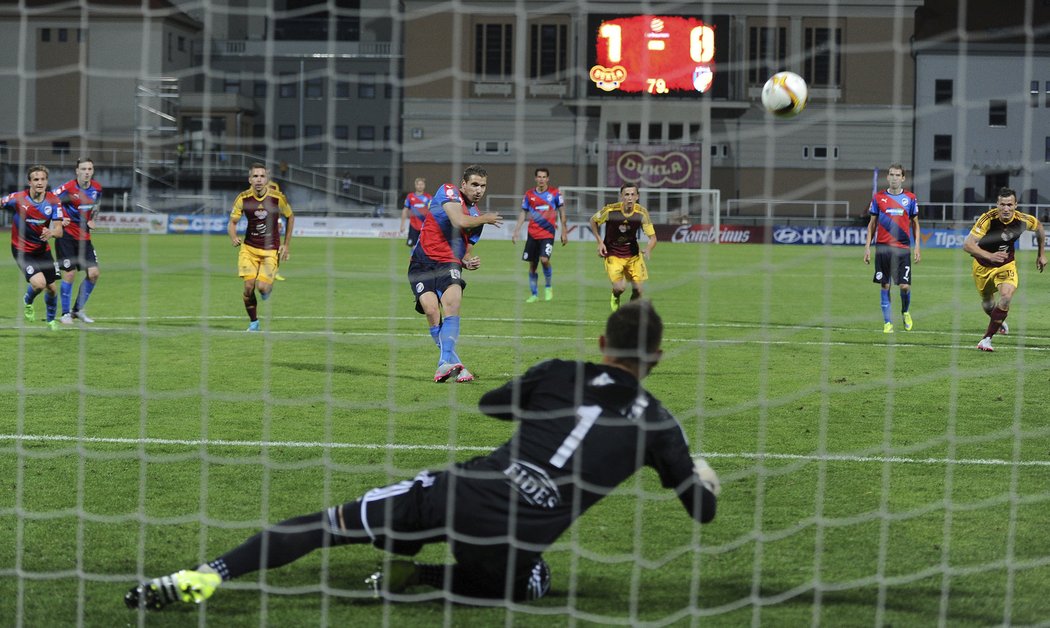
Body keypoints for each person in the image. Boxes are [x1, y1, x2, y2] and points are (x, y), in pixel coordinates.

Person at [123, 300, 721, 610]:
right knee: (532, 581)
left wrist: (541, 402)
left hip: (460, 490)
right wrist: (700, 476)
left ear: (600, 343)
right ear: (658, 358)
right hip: (513, 537)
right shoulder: (661, 424)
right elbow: (700, 511)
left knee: (327, 526)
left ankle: (203, 577)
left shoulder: (561, 371)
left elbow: (490, 405)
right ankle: (420, 577)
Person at [408, 165, 502, 383]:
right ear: (464, 184)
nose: (479, 190)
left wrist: (467, 262)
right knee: (432, 311)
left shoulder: (477, 217)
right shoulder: (449, 191)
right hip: (421, 262)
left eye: (483, 186)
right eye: (475, 184)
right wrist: (486, 218)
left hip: (448, 264)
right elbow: (458, 220)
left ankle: (443, 365)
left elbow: (465, 249)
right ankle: (454, 363)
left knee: (452, 304)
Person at [962, 187, 1046, 352]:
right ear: (997, 205)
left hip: (1006, 265)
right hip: (982, 266)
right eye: (1002, 204)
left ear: (1016, 205)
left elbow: (1040, 228)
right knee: (988, 304)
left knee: (1006, 297)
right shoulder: (987, 219)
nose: (1006, 209)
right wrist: (989, 256)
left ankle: (986, 339)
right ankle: (998, 320)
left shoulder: (1022, 220)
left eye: (1009, 205)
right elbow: (968, 245)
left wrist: (1041, 254)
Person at [227, 163, 295, 332]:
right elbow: (232, 222)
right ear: (250, 179)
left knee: (262, 287)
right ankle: (254, 322)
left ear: (267, 179)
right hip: (249, 248)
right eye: (255, 176)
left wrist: (286, 245)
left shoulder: (277, 197)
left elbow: (290, 216)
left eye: (262, 176)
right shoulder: (243, 198)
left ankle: (266, 289)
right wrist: (233, 236)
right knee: (249, 287)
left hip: (270, 249)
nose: (258, 179)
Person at [2, 164, 65, 331]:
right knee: (39, 284)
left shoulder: (53, 201)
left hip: (42, 250)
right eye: (36, 179)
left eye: (43, 179)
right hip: (22, 250)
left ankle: (51, 321)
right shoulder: (18, 198)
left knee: (51, 288)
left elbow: (59, 231)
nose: (40, 182)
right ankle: (27, 301)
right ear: (29, 182)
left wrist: (51, 232)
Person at [862, 163, 921, 334]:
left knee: (904, 286)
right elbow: (872, 224)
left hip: (902, 248)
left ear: (903, 178)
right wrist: (867, 247)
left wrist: (917, 246)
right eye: (891, 175)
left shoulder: (910, 198)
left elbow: (915, 224)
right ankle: (887, 323)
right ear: (887, 177)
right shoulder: (878, 198)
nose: (894, 178)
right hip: (882, 248)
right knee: (885, 285)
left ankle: (905, 311)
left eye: (897, 175)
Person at [589, 184, 657, 311]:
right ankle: (615, 296)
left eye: (632, 194)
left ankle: (629, 312)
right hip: (613, 254)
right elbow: (593, 221)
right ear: (621, 196)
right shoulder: (610, 210)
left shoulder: (641, 213)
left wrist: (648, 249)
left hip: (633, 256)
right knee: (620, 288)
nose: (630, 198)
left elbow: (653, 238)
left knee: (639, 290)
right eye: (626, 194)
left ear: (637, 197)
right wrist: (600, 242)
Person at [53, 157, 103, 324]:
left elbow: (96, 205)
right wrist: (59, 219)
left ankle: (77, 310)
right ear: (77, 171)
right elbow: (50, 200)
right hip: (66, 237)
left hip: (85, 237)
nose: (86, 172)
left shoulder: (96, 188)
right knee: (70, 273)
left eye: (89, 169)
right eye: (83, 169)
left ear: (92, 171)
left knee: (94, 274)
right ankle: (65, 314)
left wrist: (93, 219)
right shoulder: (68, 188)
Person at [511, 167, 568, 303]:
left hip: (548, 233)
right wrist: (516, 230)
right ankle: (534, 294)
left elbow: (562, 212)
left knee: (544, 260)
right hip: (532, 234)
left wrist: (564, 231)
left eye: (544, 177)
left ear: (547, 179)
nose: (542, 179)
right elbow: (523, 212)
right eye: (539, 177)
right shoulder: (529, 194)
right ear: (536, 178)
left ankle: (548, 286)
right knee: (532, 266)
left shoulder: (555, 193)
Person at [399, 177, 432, 248]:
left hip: (425, 226)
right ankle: (414, 259)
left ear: (424, 185)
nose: (420, 186)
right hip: (413, 226)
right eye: (418, 184)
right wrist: (402, 225)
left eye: (422, 184)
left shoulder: (429, 197)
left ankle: (422, 259)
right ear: (415, 185)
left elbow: (432, 212)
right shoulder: (410, 197)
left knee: (425, 247)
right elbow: (405, 210)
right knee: (413, 247)